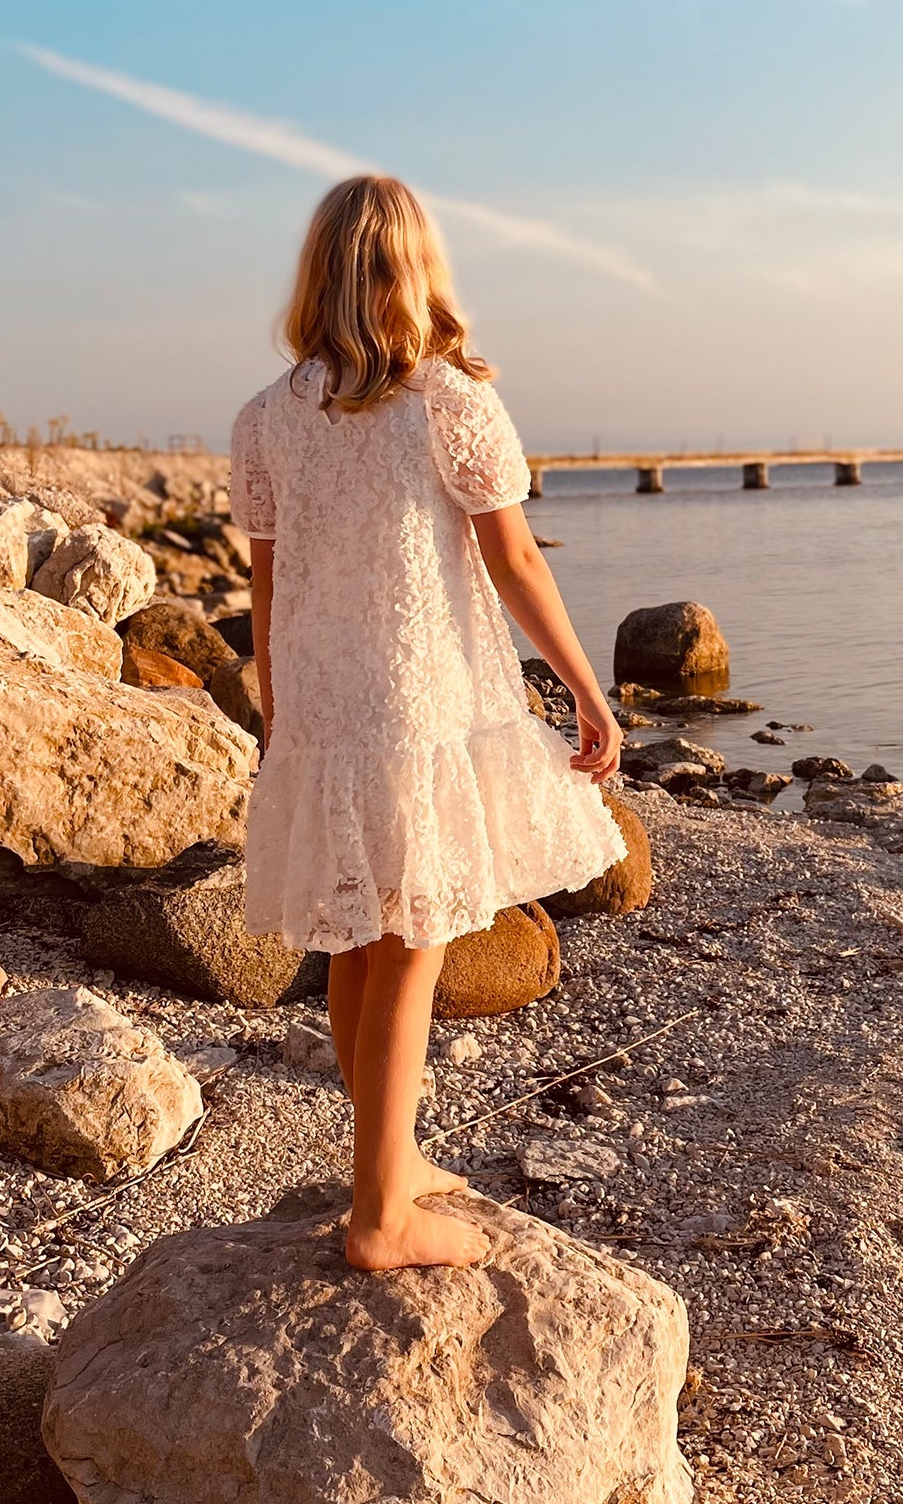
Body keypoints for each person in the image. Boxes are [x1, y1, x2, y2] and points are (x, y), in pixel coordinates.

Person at [229, 175, 626, 1271]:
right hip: (413, 692)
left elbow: (266, 584)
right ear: (417, 271)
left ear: (317, 275)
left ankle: (390, 1160)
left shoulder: (266, 418)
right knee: (411, 941)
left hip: (318, 690)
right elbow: (510, 559)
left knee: (362, 937)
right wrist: (586, 690)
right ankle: (378, 1216)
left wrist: (276, 707)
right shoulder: (447, 399)